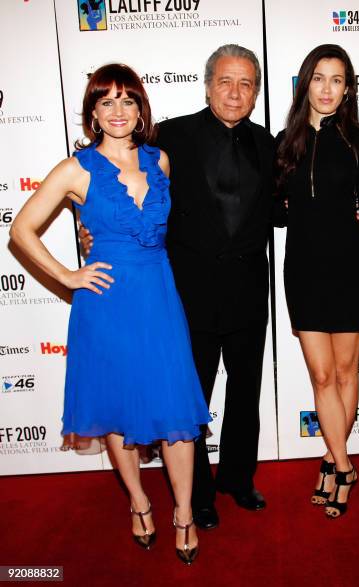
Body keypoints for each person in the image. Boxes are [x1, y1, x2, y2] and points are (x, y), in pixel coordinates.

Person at [10, 63, 211, 565]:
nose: (118, 111)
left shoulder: (160, 161)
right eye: (106, 102)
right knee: (118, 409)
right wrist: (69, 275)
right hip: (107, 303)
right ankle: (140, 503)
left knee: (177, 413)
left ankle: (183, 513)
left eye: (127, 100)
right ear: (93, 114)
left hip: (160, 296)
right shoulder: (76, 169)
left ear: (141, 108)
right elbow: (21, 230)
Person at [82, 45, 275, 530]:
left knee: (246, 391)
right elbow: (110, 187)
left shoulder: (268, 143)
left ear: (256, 92)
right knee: (191, 397)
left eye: (246, 84)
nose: (235, 93)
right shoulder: (170, 138)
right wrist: (89, 235)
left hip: (250, 287)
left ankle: (238, 478)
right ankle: (200, 496)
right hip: (187, 292)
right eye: (225, 82)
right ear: (208, 84)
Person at [275, 44, 359, 518]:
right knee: (320, 375)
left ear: (347, 89)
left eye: (337, 79)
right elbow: (277, 212)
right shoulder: (286, 140)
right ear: (306, 84)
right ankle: (344, 462)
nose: (326, 88)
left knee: (345, 373)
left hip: (350, 270)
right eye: (318, 78)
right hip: (303, 270)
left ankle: (333, 461)